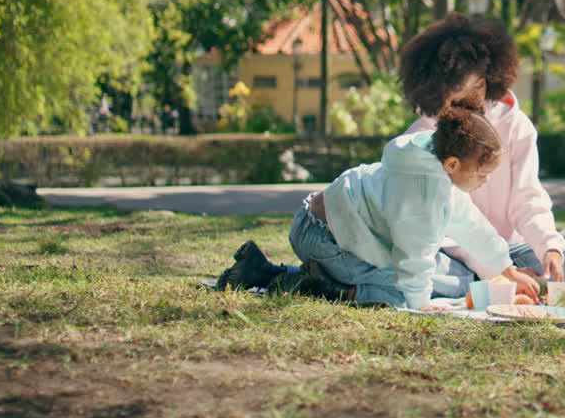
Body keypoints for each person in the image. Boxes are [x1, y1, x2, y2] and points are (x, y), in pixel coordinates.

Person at [217, 106, 539, 309]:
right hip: (321, 236)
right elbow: (414, 257)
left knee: (417, 284)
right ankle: (314, 287)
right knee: (400, 295)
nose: (485, 182)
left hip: (319, 227)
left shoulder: (432, 163)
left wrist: (507, 269)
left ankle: (261, 271)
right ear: (453, 163)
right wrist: (420, 306)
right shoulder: (424, 188)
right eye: (482, 174)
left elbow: (470, 223)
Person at [398, 13, 565, 298]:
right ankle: (498, 284)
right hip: (456, 256)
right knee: (420, 269)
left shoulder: (516, 125)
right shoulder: (417, 141)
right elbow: (442, 229)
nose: (474, 99)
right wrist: (496, 270)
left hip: (516, 249)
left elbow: (527, 197)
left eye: (479, 85)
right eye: (461, 91)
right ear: (438, 90)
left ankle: (503, 283)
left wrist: (549, 247)